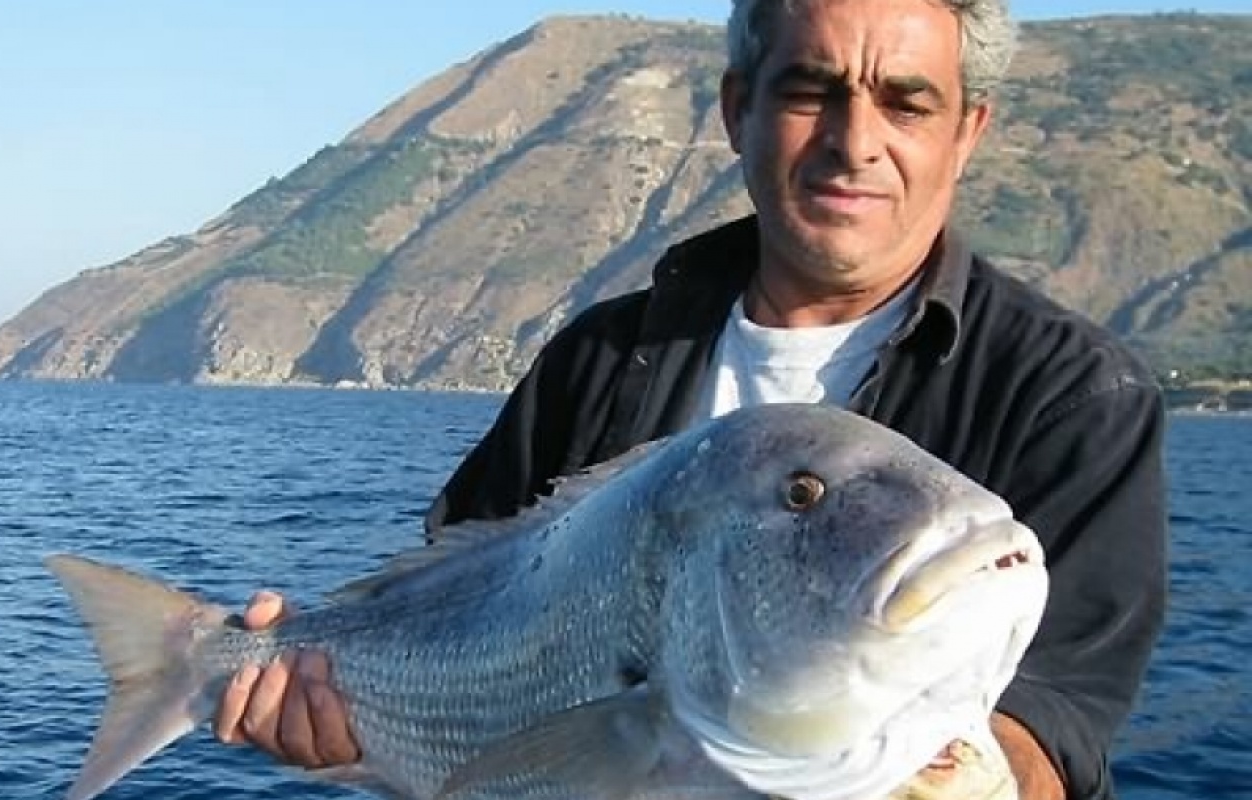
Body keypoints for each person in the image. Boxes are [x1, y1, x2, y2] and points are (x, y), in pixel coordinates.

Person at [212, 0, 1170, 797]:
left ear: (968, 132)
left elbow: (1059, 724)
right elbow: (451, 612)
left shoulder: (1075, 396)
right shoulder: (597, 356)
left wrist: (977, 780)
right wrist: (330, 716)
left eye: (907, 104)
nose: (855, 143)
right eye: (810, 91)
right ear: (737, 109)